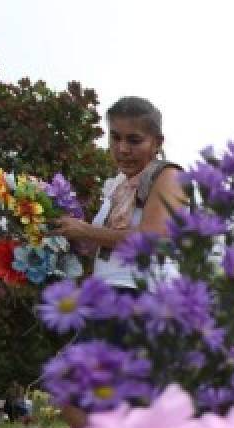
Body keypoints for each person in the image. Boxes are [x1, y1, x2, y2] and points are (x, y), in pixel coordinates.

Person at [52, 96, 186, 289]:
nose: (122, 149)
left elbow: (154, 239)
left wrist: (85, 231)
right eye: (115, 138)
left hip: (147, 298)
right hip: (106, 297)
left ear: (157, 143)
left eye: (134, 140)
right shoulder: (117, 186)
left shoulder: (168, 175)